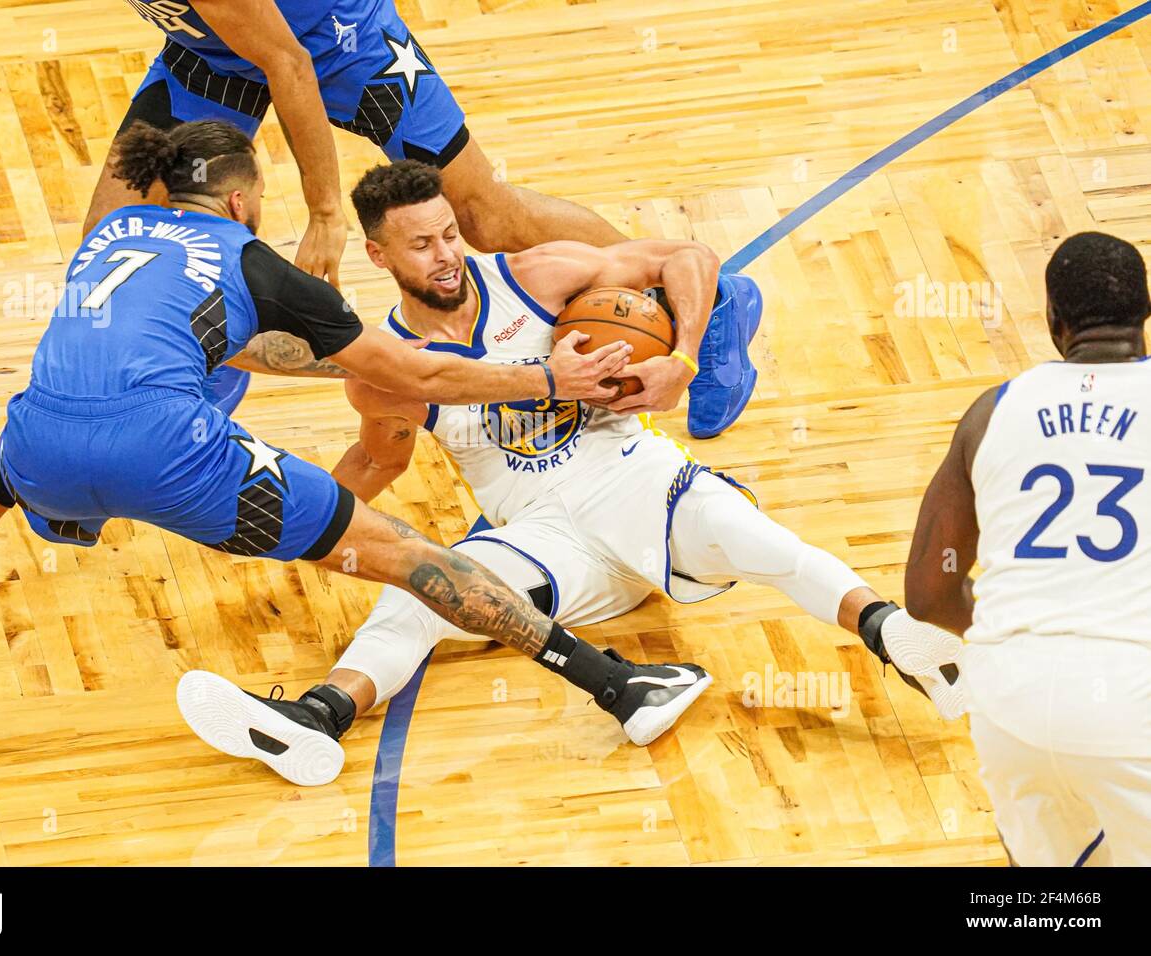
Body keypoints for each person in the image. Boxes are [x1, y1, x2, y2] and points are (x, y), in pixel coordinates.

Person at [0, 120, 715, 764]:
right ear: (239, 200)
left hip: (42, 438)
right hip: (168, 455)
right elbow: (428, 378)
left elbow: (221, 340)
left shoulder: (111, 233)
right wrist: (547, 381)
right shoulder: (262, 265)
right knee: (406, 553)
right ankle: (616, 684)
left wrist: (333, 363)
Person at [176, 160, 964, 787]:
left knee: (753, 537)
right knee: (418, 588)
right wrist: (279, 530)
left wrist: (682, 360)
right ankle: (316, 719)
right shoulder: (382, 370)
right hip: (545, 541)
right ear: (379, 256)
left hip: (637, 481)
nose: (447, 256)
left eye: (450, 234)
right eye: (422, 245)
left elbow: (687, 255)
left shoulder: (537, 276)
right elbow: (378, 459)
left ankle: (899, 637)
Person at [98, 0, 758, 438]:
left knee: (485, 216)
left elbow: (289, 64)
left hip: (336, 44)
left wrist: (327, 212)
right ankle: (199, 383)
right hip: (216, 54)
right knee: (113, 237)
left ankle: (707, 298)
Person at [905, 231, 1151, 867]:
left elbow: (929, 594)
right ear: (1146, 312)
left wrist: (1020, 629)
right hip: (1132, 694)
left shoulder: (992, 413)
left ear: (1052, 321)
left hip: (1007, 694)